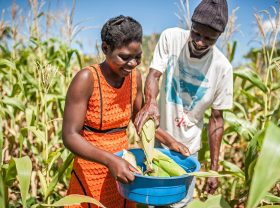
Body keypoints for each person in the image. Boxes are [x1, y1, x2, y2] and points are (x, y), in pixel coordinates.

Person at [134, 0, 233, 207]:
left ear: (218, 37)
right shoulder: (171, 38)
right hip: (157, 140)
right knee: (151, 201)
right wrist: (150, 103)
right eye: (196, 33)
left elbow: (216, 120)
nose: (199, 42)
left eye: (209, 38)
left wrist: (214, 169)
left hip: (188, 150)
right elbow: (154, 75)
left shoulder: (222, 68)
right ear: (191, 25)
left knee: (180, 202)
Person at [62, 15, 143, 208]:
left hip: (123, 172)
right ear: (105, 49)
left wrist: (170, 140)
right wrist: (110, 161)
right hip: (91, 174)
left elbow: (140, 120)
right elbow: (69, 136)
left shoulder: (135, 78)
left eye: (137, 56)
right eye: (124, 57)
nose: (132, 63)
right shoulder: (87, 79)